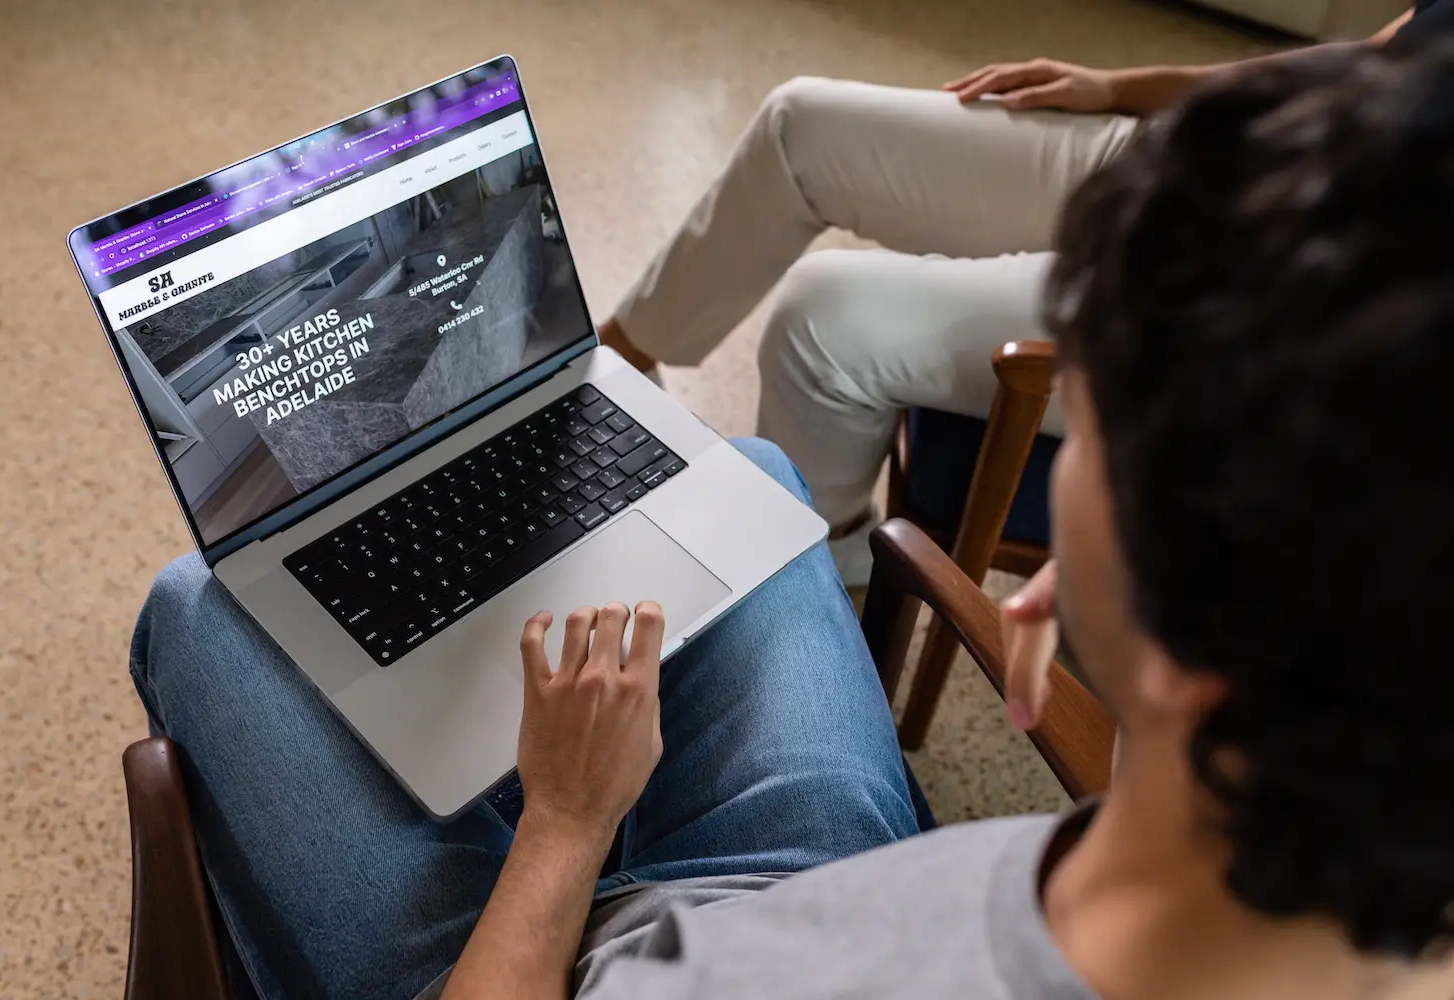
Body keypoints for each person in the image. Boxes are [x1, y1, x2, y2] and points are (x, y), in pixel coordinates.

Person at [131, 41, 1454, 1000]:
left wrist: (567, 825)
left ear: (1186, 628)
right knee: (754, 476)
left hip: (552, 955)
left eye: (1097, 435)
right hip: (832, 879)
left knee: (199, 602)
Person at [598, 7, 1430, 585]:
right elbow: (1378, 57)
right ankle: (614, 364)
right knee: (801, 125)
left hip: (1263, 296)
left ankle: (826, 563)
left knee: (819, 315)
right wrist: (1120, 88)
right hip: (1192, 161)